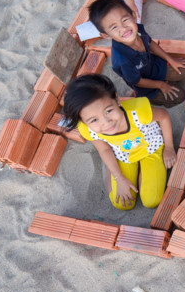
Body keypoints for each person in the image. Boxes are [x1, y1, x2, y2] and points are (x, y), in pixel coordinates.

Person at [62, 74, 176, 210]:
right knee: (122, 204)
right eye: (94, 120)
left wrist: (169, 147)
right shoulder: (88, 129)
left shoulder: (138, 112)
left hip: (150, 147)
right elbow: (104, 149)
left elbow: (163, 116)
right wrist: (119, 177)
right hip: (123, 154)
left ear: (117, 99)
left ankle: (141, 173)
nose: (106, 123)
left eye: (109, 111)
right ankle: (111, 170)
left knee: (151, 200)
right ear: (83, 121)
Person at [89, 0, 185, 107]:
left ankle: (169, 80)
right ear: (106, 35)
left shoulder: (138, 30)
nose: (123, 28)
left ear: (133, 16)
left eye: (125, 20)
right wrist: (161, 85)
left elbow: (150, 43)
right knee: (180, 96)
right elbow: (138, 81)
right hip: (146, 86)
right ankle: (149, 97)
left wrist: (171, 60)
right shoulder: (122, 61)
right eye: (114, 27)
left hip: (155, 67)